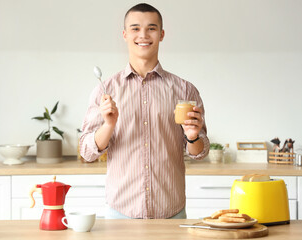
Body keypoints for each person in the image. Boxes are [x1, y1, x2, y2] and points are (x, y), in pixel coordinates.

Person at [80, 3, 210, 219]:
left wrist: (193, 137)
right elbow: (87, 152)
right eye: (135, 28)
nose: (143, 35)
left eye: (151, 28)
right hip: (120, 213)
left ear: (161, 34)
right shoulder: (106, 89)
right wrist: (109, 125)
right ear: (124, 34)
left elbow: (200, 152)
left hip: (171, 213)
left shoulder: (185, 90)